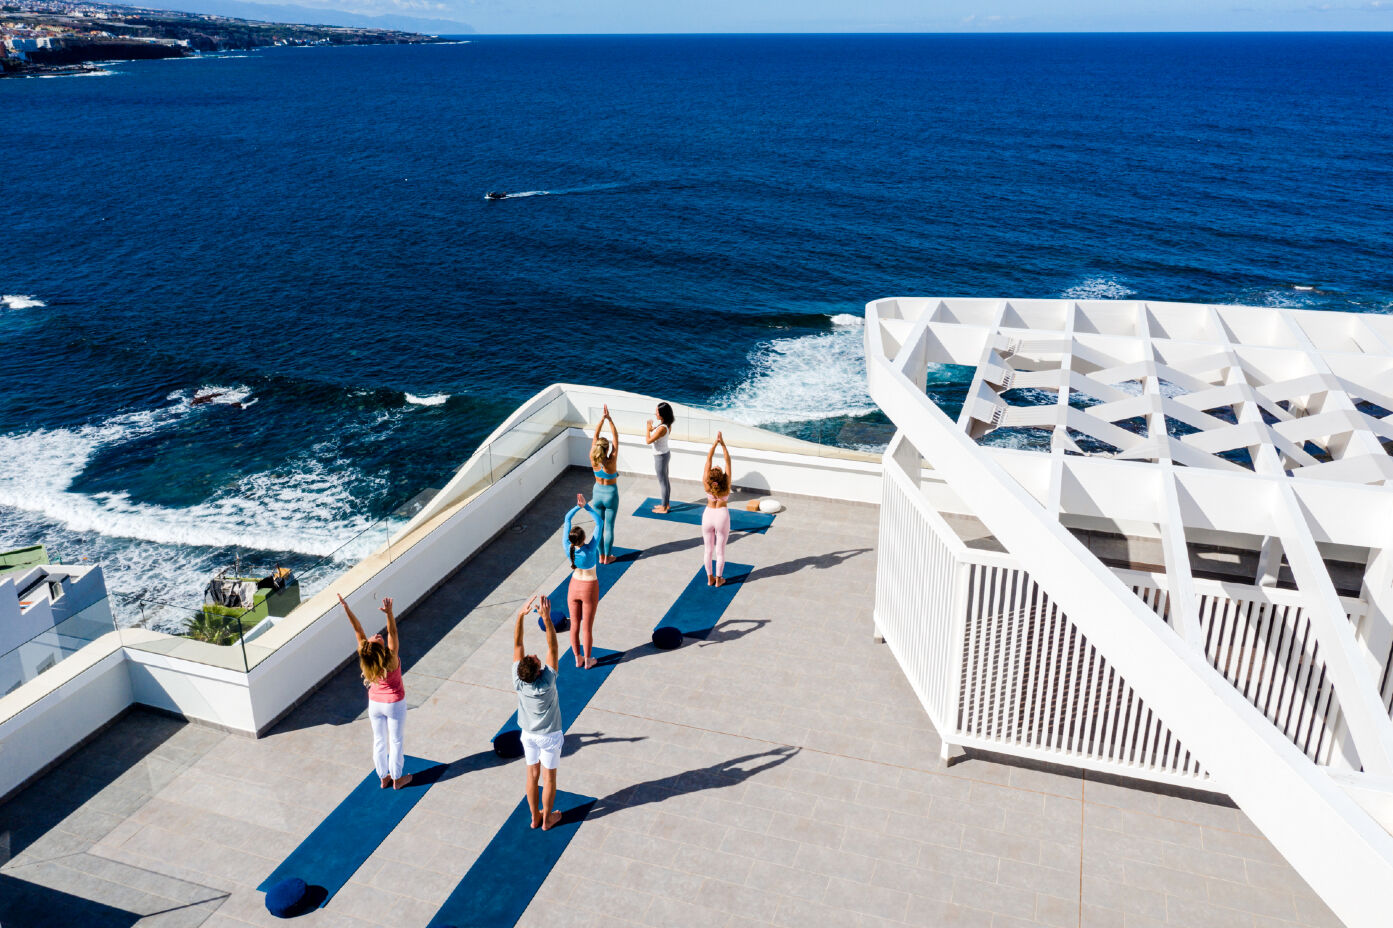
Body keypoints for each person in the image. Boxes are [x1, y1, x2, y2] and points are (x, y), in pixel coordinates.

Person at [337, 592, 411, 790]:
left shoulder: (366, 657)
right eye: (377, 639)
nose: (377, 635)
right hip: (394, 703)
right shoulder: (391, 658)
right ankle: (397, 779)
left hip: (375, 704)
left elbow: (358, 629)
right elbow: (393, 633)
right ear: (378, 649)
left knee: (379, 740)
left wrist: (346, 609)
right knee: (395, 740)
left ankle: (383, 777)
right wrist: (389, 613)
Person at [513, 594, 563, 830]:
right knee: (548, 778)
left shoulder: (519, 680)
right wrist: (547, 619)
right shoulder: (548, 681)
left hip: (528, 735)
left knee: (531, 776)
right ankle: (548, 818)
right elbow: (553, 646)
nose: (533, 654)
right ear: (537, 669)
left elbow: (517, 645)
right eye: (534, 658)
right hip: (549, 736)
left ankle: (535, 817)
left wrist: (520, 617)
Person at [564, 492, 602, 669]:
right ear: (584, 538)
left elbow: (567, 519)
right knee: (587, 627)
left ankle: (577, 658)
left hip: (574, 587)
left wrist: (575, 508)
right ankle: (587, 660)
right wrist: (585, 506)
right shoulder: (591, 549)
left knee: (574, 625)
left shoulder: (567, 547)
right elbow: (599, 523)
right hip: (589, 587)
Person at [590, 404, 620, 564]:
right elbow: (616, 438)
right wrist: (610, 420)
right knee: (609, 527)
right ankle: (608, 557)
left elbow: (595, 435)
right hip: (610, 494)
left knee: (599, 526)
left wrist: (601, 419)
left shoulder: (592, 457)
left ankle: (601, 556)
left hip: (597, 493)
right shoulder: (611, 461)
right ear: (607, 449)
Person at [702, 432, 733, 587]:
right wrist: (722, 444)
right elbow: (728, 461)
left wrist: (714, 444)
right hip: (721, 516)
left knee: (708, 550)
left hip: (708, 515)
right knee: (720, 550)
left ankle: (710, 578)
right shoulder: (726, 485)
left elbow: (708, 460)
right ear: (721, 476)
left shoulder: (706, 483)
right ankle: (719, 579)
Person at [646, 402, 674, 514]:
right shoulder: (666, 424)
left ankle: (664, 507)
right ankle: (666, 504)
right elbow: (657, 432)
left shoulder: (662, 428)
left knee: (663, 482)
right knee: (665, 481)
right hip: (665, 454)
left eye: (657, 412)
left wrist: (647, 429)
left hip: (660, 457)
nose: (655, 413)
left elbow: (648, 440)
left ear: (662, 414)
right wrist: (651, 428)